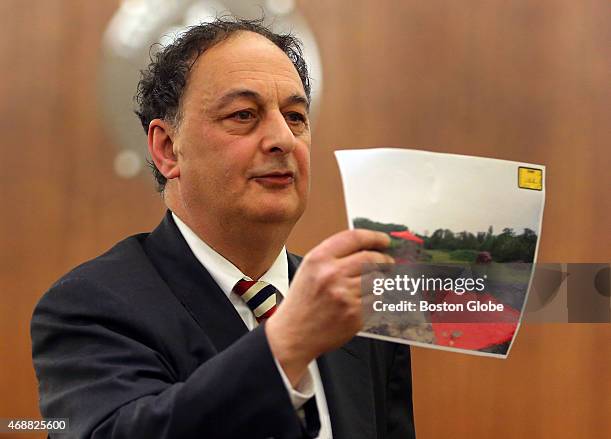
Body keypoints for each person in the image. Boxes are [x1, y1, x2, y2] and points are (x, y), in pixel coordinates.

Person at [31, 18, 415, 439]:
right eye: (244, 115)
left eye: (295, 116)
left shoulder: (354, 308)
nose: (282, 139)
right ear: (166, 149)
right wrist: (285, 344)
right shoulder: (91, 306)